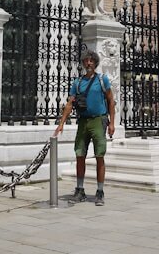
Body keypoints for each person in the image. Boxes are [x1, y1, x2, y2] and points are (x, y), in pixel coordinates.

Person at [54, 50, 115, 206]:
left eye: (91, 61)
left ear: (95, 63)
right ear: (83, 63)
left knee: (99, 155)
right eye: (86, 61)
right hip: (83, 121)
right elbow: (69, 103)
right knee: (79, 154)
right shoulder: (78, 82)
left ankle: (100, 191)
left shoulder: (102, 80)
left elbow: (110, 101)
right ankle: (80, 189)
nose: (88, 63)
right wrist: (61, 124)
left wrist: (112, 123)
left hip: (98, 120)